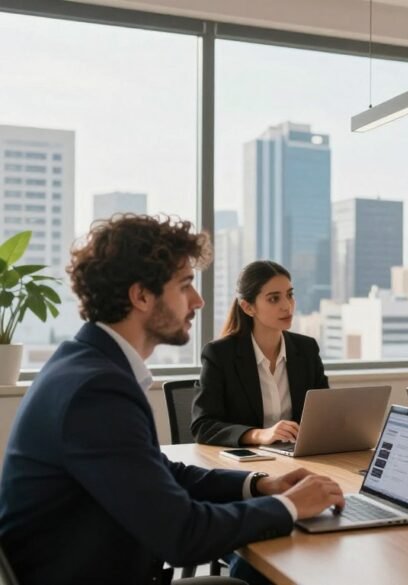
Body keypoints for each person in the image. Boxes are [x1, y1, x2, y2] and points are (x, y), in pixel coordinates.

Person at [0, 215, 344, 585]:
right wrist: (290, 505)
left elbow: (160, 471)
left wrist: (260, 485)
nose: (198, 300)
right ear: (141, 295)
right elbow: (184, 535)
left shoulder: (87, 364)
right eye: (185, 286)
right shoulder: (96, 391)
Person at [192, 260, 328, 447]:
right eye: (274, 298)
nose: (287, 306)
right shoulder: (220, 354)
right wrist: (259, 435)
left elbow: (324, 414)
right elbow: (203, 427)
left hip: (297, 456)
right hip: (246, 463)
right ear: (248, 307)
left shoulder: (306, 349)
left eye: (289, 295)